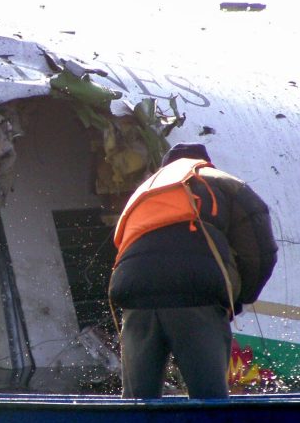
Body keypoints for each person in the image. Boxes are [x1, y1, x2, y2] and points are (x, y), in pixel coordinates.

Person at [108, 142, 277, 399]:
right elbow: (261, 251)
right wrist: (239, 299)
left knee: (137, 401)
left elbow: (125, 248)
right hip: (197, 296)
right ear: (205, 162)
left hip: (133, 293)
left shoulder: (143, 193)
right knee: (208, 397)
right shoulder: (223, 182)